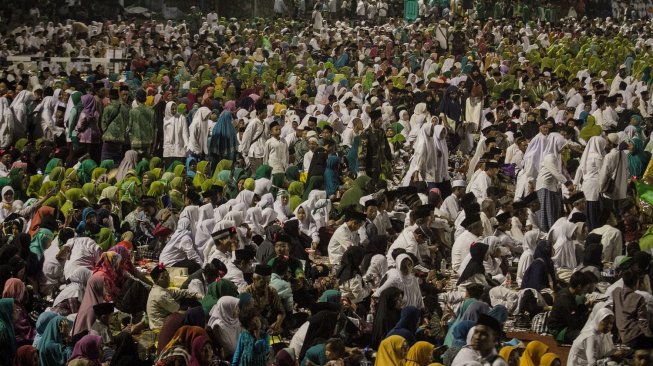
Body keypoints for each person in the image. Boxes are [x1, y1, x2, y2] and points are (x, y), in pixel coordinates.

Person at [547, 271, 591, 344]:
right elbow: (574, 322)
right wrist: (587, 312)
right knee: (586, 337)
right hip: (559, 330)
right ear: (579, 286)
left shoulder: (567, 293)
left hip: (565, 325)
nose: (585, 291)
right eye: (585, 288)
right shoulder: (565, 299)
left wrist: (585, 307)